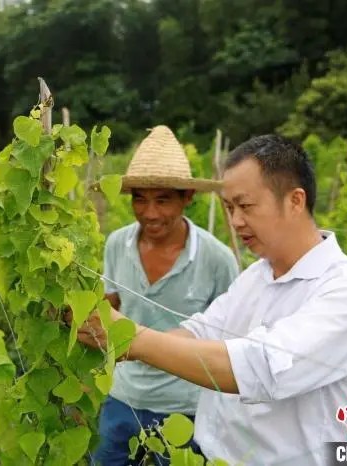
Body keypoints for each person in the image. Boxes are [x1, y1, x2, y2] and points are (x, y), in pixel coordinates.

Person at [75, 134, 347, 466]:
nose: (234, 221)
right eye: (229, 207)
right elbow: (201, 331)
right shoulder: (257, 276)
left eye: (246, 206)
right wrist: (114, 339)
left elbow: (256, 366)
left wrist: (131, 338)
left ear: (295, 201)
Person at [93, 125, 240, 466]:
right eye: (140, 199)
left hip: (185, 409)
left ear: (187, 197)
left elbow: (231, 341)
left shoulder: (216, 259)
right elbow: (109, 305)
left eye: (163, 200)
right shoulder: (117, 243)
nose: (150, 213)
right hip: (121, 399)